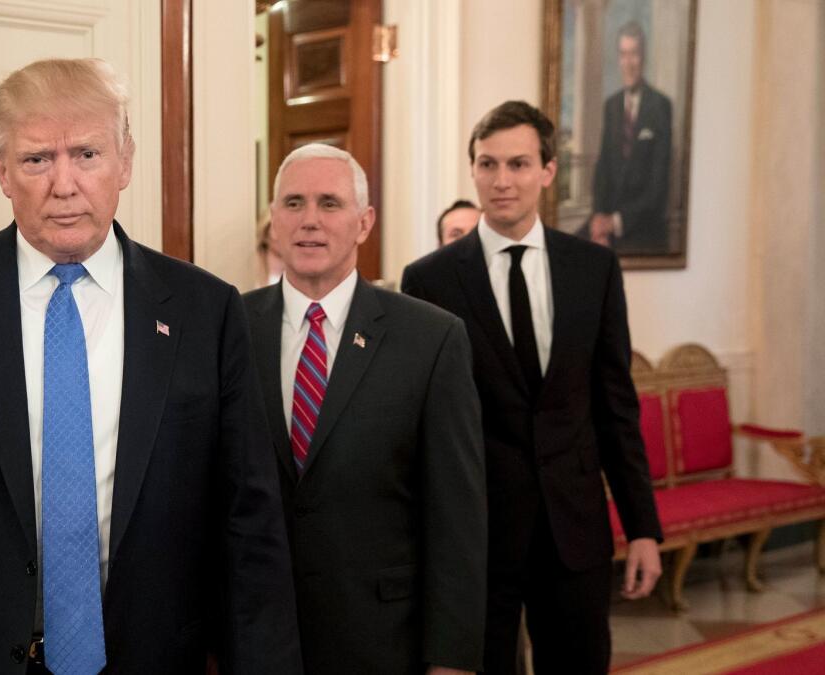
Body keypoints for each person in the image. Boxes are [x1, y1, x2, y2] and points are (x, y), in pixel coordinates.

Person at [0, 58, 301, 674]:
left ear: (125, 162)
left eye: (87, 154)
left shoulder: (204, 311)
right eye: (36, 159)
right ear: (1, 171)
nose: (64, 183)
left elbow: (251, 530)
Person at [401, 101, 662, 675]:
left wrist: (642, 527)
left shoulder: (593, 269)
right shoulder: (430, 279)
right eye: (487, 164)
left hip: (575, 531)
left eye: (518, 164)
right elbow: (421, 424)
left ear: (548, 171)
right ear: (472, 169)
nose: (501, 181)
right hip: (476, 535)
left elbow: (617, 407)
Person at [244, 143, 487, 674]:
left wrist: (453, 659)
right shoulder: (229, 329)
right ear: (273, 219)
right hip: (257, 641)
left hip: (382, 641)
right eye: (293, 203)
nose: (309, 220)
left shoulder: (431, 338)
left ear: (363, 222)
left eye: (330, 203)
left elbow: (457, 519)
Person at [589, 21, 673, 253]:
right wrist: (598, 217)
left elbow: (658, 187)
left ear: (643, 57)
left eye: (634, 54)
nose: (628, 63)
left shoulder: (660, 106)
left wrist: (615, 222)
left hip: (643, 228)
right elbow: (603, 167)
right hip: (607, 227)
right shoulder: (612, 105)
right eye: (623, 55)